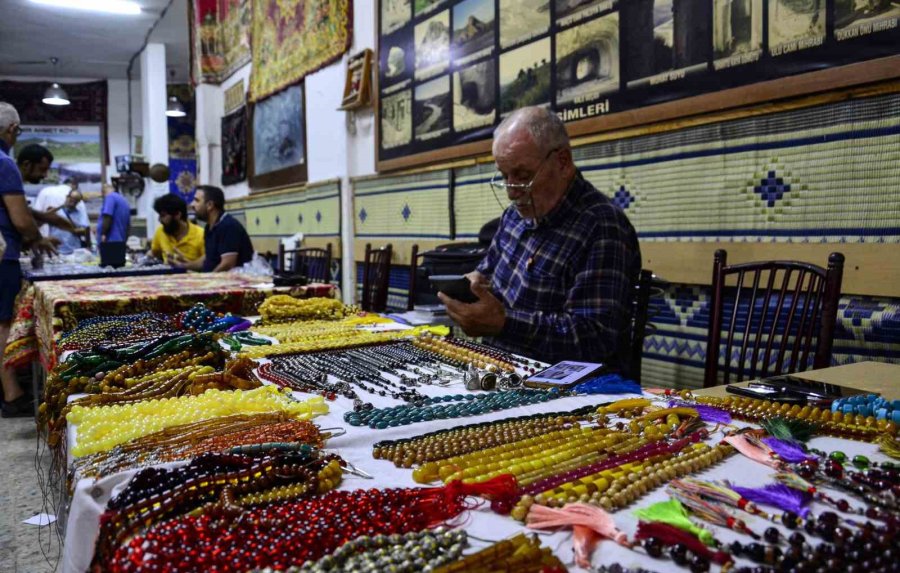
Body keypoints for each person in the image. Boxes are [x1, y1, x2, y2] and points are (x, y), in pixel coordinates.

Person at [438, 106, 642, 369]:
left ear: (563, 162)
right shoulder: (513, 218)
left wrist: (505, 324)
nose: (512, 192)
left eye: (522, 176)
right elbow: (485, 274)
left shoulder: (602, 226)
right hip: (499, 368)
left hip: (565, 390)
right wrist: (473, 285)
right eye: (504, 177)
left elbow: (596, 337)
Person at [0, 102, 57, 417]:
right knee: (3, 324)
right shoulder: (4, 163)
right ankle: (13, 394)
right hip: (2, 255)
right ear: (13, 130)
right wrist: (38, 239)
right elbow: (21, 220)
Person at [176, 185, 253, 272]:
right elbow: (208, 259)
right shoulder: (209, 227)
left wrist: (207, 280)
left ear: (210, 205)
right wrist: (183, 265)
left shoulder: (228, 226)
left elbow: (228, 264)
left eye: (197, 200)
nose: (192, 204)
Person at [150, 193, 204, 263]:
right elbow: (154, 253)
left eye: (163, 215)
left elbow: (207, 265)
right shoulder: (160, 231)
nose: (160, 220)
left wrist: (186, 264)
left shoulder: (201, 235)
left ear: (178, 214)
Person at [48, 188, 91, 254]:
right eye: (71, 199)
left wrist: (88, 246)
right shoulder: (56, 211)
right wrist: (62, 205)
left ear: (78, 202)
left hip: (74, 250)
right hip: (57, 251)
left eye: (76, 201)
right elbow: (45, 215)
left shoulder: (79, 213)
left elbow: (85, 229)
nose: (73, 202)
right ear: (67, 197)